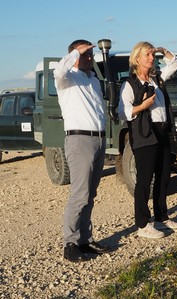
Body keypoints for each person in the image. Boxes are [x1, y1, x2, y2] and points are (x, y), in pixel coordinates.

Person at [54, 39, 111, 262]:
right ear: (75, 56)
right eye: (86, 54)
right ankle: (70, 243)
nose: (91, 58)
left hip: (98, 139)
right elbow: (59, 70)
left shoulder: (93, 81)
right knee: (79, 194)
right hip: (80, 140)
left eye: (91, 54)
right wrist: (76, 53)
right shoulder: (67, 79)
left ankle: (85, 239)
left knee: (91, 194)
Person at [118, 41, 177, 239]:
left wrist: (162, 51)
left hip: (162, 131)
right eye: (147, 55)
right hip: (144, 134)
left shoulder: (157, 79)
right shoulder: (129, 84)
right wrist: (143, 105)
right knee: (144, 180)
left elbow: (174, 63)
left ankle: (161, 218)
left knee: (164, 176)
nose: (151, 58)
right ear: (137, 59)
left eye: (152, 55)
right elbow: (123, 112)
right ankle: (143, 224)